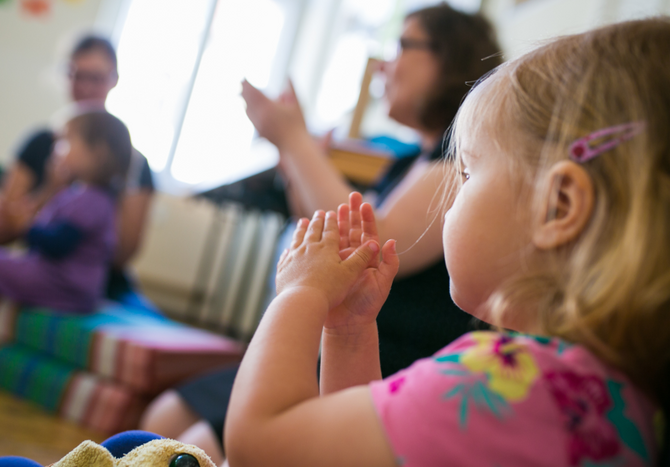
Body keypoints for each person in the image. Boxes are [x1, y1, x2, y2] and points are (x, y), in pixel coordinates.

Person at [225, 18, 670, 467]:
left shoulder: (505, 386)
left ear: (559, 206)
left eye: (467, 175)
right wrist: (349, 333)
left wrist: (300, 292)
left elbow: (261, 447)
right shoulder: (620, 401)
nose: (451, 201)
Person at [140, 5, 502, 461]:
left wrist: (295, 141)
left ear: (448, 57)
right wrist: (295, 157)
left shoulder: (454, 166)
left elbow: (374, 236)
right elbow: (325, 233)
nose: (385, 65)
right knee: (162, 420)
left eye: (402, 46)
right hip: (338, 343)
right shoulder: (408, 160)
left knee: (189, 445)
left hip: (383, 360)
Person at [0, 35, 155, 305]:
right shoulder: (40, 143)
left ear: (114, 79)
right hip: (41, 267)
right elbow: (1, 234)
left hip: (100, 282)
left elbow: (121, 254)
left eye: (96, 77)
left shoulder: (133, 163)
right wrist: (51, 190)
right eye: (77, 75)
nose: (86, 87)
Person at [0, 111, 131, 314]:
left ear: (97, 153)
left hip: (65, 284)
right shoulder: (81, 194)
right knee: (1, 262)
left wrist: (24, 227)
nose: (56, 149)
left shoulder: (92, 200)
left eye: (66, 142)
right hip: (66, 283)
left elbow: (58, 243)